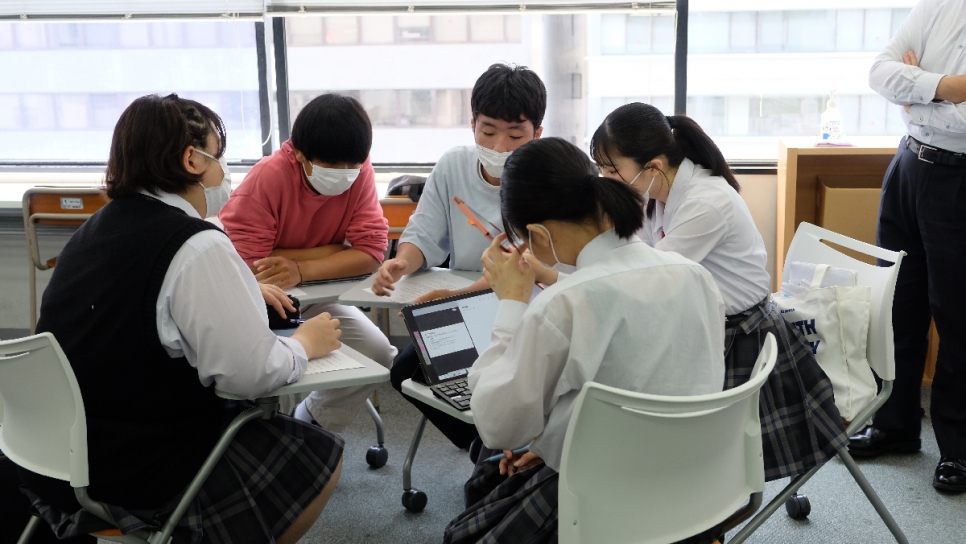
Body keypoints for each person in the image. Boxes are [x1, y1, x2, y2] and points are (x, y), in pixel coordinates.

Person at [17, 94, 344, 543]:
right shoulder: (197, 243)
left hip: (49, 456)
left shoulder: (95, 229)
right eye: (219, 156)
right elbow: (249, 376)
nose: (224, 172)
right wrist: (305, 343)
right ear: (192, 160)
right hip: (134, 466)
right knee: (316, 455)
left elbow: (135, 302)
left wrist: (243, 292)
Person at [443, 137, 726, 544]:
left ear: (538, 235)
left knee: (474, 505)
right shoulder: (695, 276)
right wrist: (553, 442)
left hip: (603, 501)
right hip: (694, 491)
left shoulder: (562, 305)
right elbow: (651, 385)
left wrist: (511, 304)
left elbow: (497, 426)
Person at [580, 102, 848, 482]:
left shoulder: (706, 201)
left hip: (740, 334)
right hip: (702, 319)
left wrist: (565, 276)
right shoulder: (658, 193)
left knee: (623, 377)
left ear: (653, 166)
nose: (605, 179)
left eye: (612, 170)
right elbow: (633, 257)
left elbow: (650, 275)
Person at [370, 63, 547, 450]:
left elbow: (523, 267)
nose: (499, 146)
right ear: (472, 124)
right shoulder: (454, 165)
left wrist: (454, 298)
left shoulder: (546, 177)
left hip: (525, 305)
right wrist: (403, 262)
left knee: (499, 378)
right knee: (405, 372)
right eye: (488, 131)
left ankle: (501, 447)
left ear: (537, 133)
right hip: (470, 303)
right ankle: (483, 447)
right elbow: (424, 232)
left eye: (515, 135)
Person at [219, 93, 396, 433]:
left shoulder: (359, 169)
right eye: (332, 166)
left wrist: (300, 268)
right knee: (273, 371)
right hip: (261, 303)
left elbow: (372, 252)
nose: (345, 174)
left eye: (353, 165)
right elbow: (255, 268)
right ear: (299, 152)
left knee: (377, 352)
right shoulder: (268, 178)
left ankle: (312, 426)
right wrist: (336, 249)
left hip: (314, 297)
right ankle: (271, 437)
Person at [849, 0, 966, 493]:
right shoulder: (940, 5)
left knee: (958, 317)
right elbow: (880, 73)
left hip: (960, 178)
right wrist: (948, 88)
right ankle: (895, 426)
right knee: (896, 305)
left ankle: (959, 448)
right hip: (909, 165)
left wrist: (916, 91)